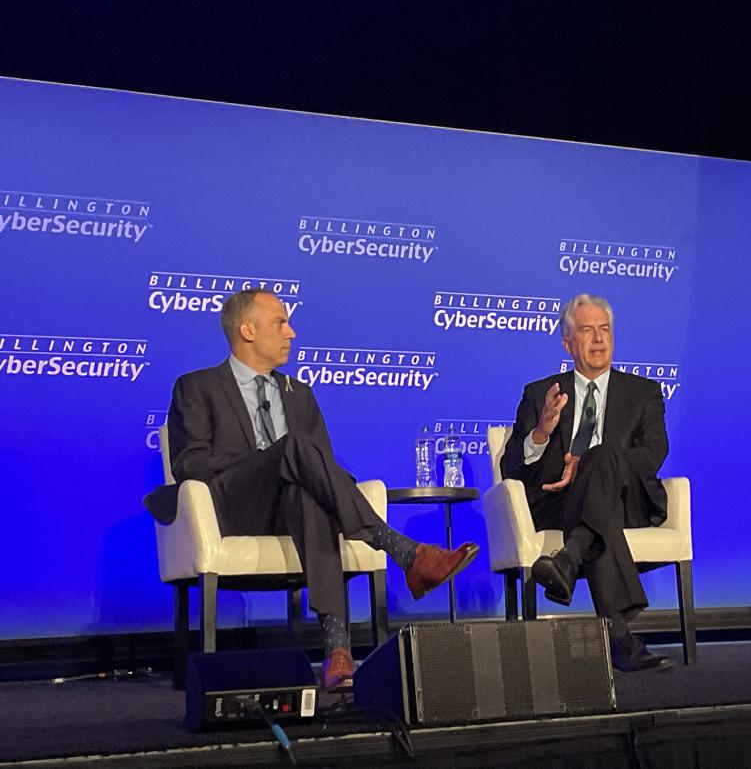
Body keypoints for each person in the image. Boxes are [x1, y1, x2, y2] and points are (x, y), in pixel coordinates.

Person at [144, 289, 478, 691]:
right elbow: (189, 463)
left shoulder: (299, 393)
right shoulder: (196, 386)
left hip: (289, 510)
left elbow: (323, 470)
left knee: (308, 494)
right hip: (230, 507)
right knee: (295, 448)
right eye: (280, 323)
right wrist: (265, 462)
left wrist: (288, 464)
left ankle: (338, 654)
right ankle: (404, 551)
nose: (292, 332)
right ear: (247, 330)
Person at [500, 293, 675, 672]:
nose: (598, 339)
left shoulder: (643, 392)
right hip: (558, 505)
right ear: (567, 343)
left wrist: (595, 466)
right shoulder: (540, 394)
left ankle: (569, 557)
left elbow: (653, 454)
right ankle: (618, 637)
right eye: (586, 330)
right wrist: (542, 432)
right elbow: (510, 467)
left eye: (605, 329)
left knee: (603, 456)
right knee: (598, 515)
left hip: (626, 500)